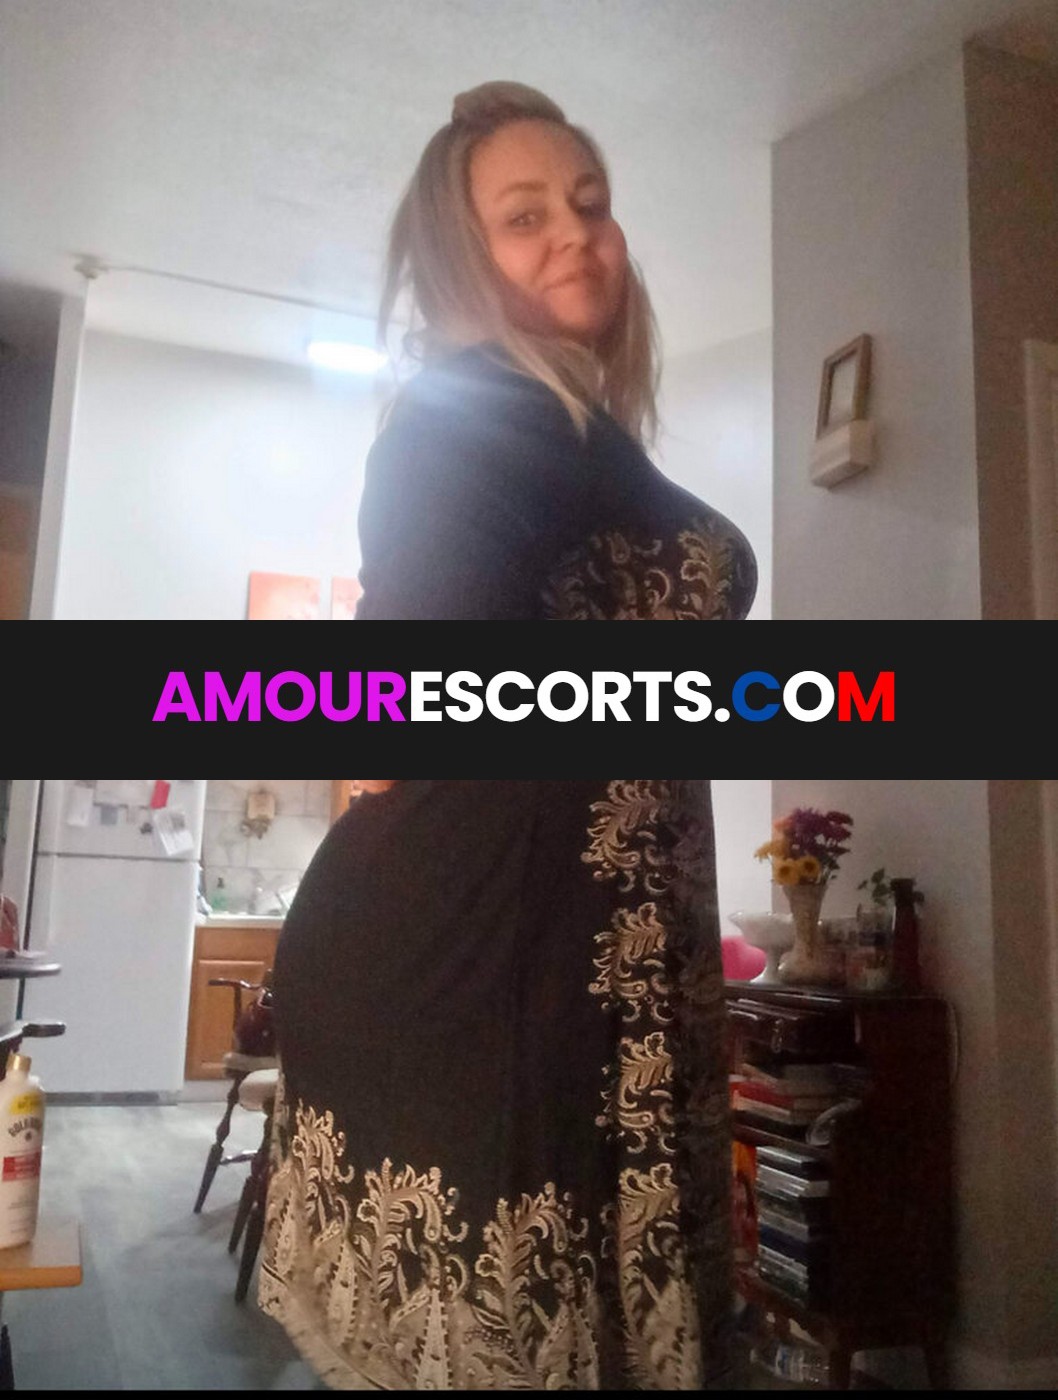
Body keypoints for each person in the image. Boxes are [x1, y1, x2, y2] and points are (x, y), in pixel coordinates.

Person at [258, 82, 757, 1390]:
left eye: (589, 203)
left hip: (590, 969)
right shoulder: (469, 414)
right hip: (489, 980)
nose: (575, 233)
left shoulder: (578, 430)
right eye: (524, 216)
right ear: (459, 258)